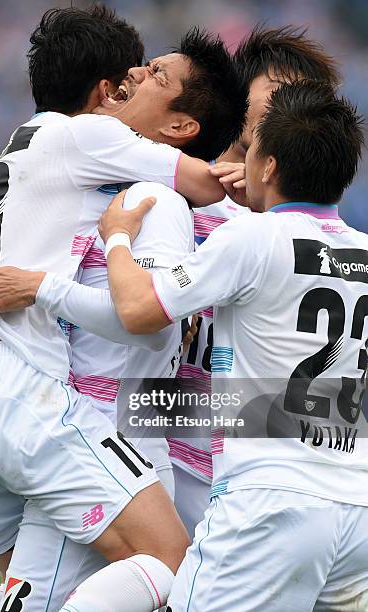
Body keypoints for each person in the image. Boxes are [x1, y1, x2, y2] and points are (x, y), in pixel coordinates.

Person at [0, 6, 248, 611]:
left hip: (26, 402)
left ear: (182, 126)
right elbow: (150, 326)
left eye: (152, 74)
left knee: (32, 594)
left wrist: (27, 281)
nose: (136, 78)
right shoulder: (116, 186)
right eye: (135, 71)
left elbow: (151, 321)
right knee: (171, 568)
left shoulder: (137, 195)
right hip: (55, 408)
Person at [93, 80, 368, 611]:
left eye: (251, 149)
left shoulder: (252, 239)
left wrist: (118, 236)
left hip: (273, 502)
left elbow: (138, 309)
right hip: (356, 508)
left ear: (267, 166)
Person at [170, 24, 343, 539]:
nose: (286, 115)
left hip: (258, 473)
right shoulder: (173, 194)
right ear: (239, 102)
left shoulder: (306, 231)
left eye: (300, 102)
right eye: (275, 96)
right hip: (165, 451)